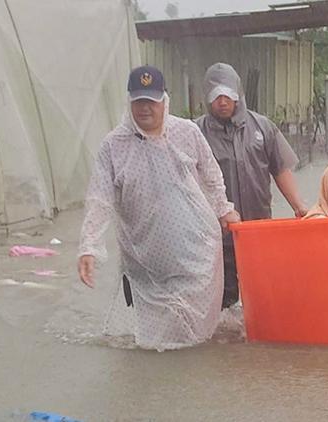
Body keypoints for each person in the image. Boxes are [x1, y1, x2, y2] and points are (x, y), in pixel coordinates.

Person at [77, 65, 240, 350]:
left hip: (196, 253)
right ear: (129, 102)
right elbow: (100, 199)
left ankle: (187, 380)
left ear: (164, 101)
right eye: (138, 101)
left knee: (194, 336)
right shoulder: (113, 146)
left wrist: (223, 208)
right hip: (145, 260)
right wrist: (89, 246)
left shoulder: (186, 132)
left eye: (151, 101)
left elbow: (211, 174)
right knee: (153, 342)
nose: (144, 109)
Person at [196, 62, 307, 308]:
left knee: (263, 297)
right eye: (215, 96)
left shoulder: (262, 127)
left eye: (227, 94)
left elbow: (280, 169)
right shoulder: (195, 133)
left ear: (238, 93)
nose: (222, 101)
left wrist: (299, 206)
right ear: (207, 98)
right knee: (220, 304)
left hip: (258, 232)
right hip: (215, 237)